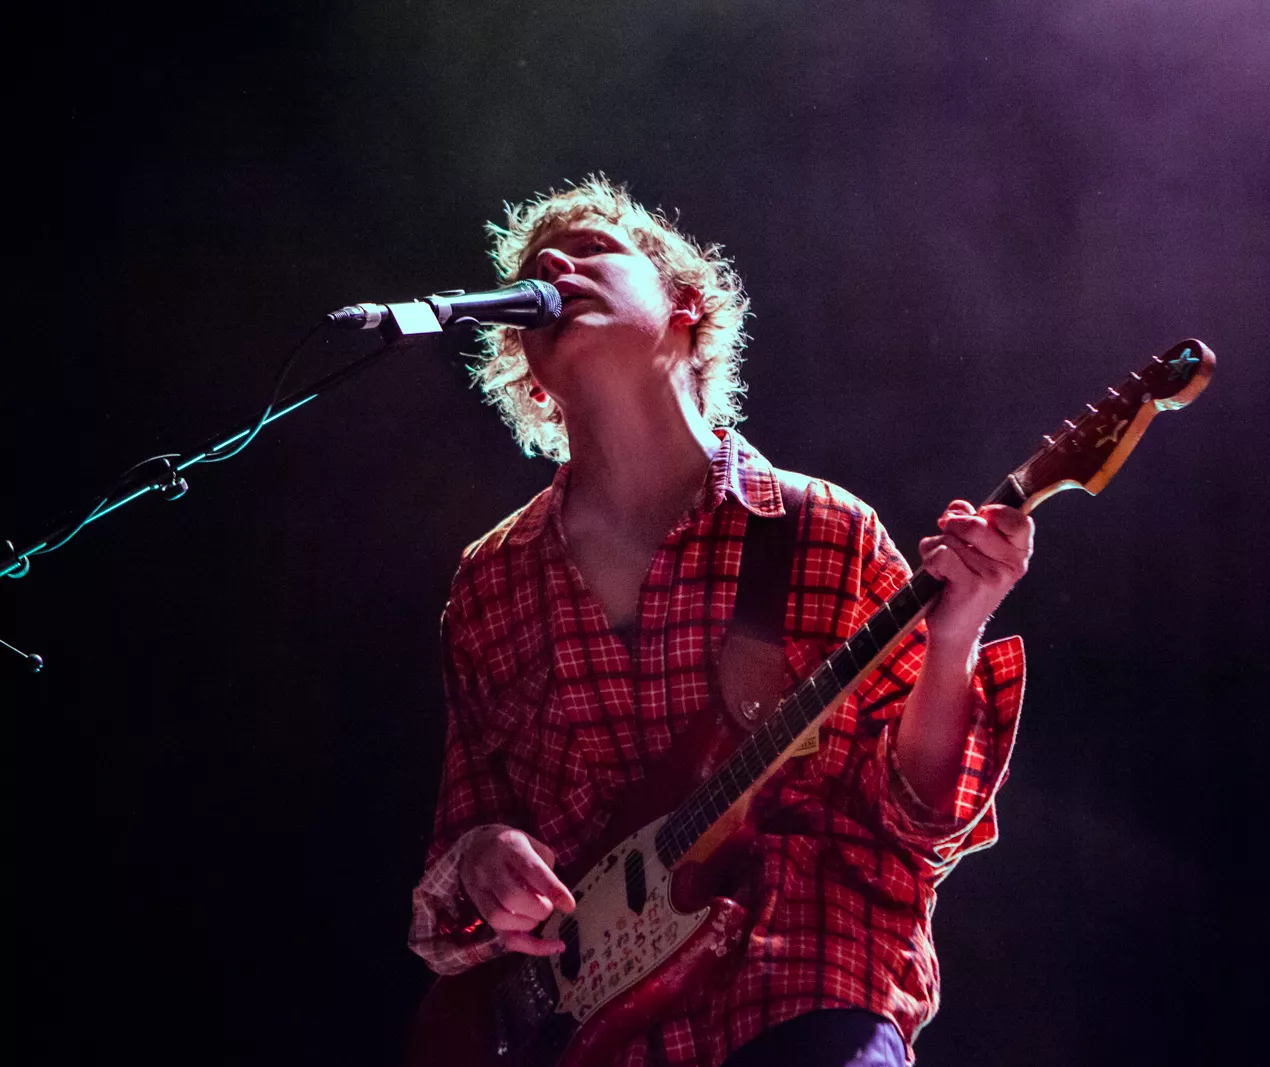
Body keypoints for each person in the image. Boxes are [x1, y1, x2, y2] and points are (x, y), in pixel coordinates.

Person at [409, 177, 1032, 1067]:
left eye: (590, 251)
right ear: (531, 377)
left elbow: (921, 820)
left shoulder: (825, 529)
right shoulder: (490, 585)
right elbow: (462, 854)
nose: (555, 265)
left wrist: (958, 632)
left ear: (686, 305)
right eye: (541, 267)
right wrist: (485, 856)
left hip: (803, 980)